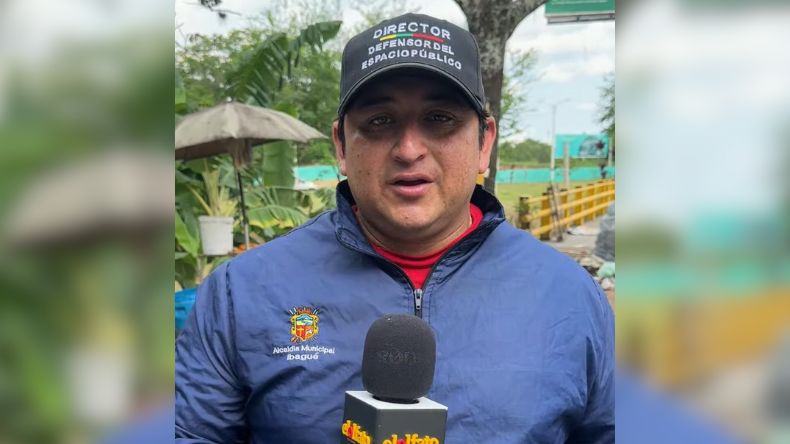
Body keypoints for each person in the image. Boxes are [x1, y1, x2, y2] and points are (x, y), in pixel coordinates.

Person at [176, 13, 614, 443]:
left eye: (439, 118)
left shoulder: (569, 296)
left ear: (484, 142)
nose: (408, 150)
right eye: (380, 121)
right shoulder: (242, 293)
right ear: (341, 146)